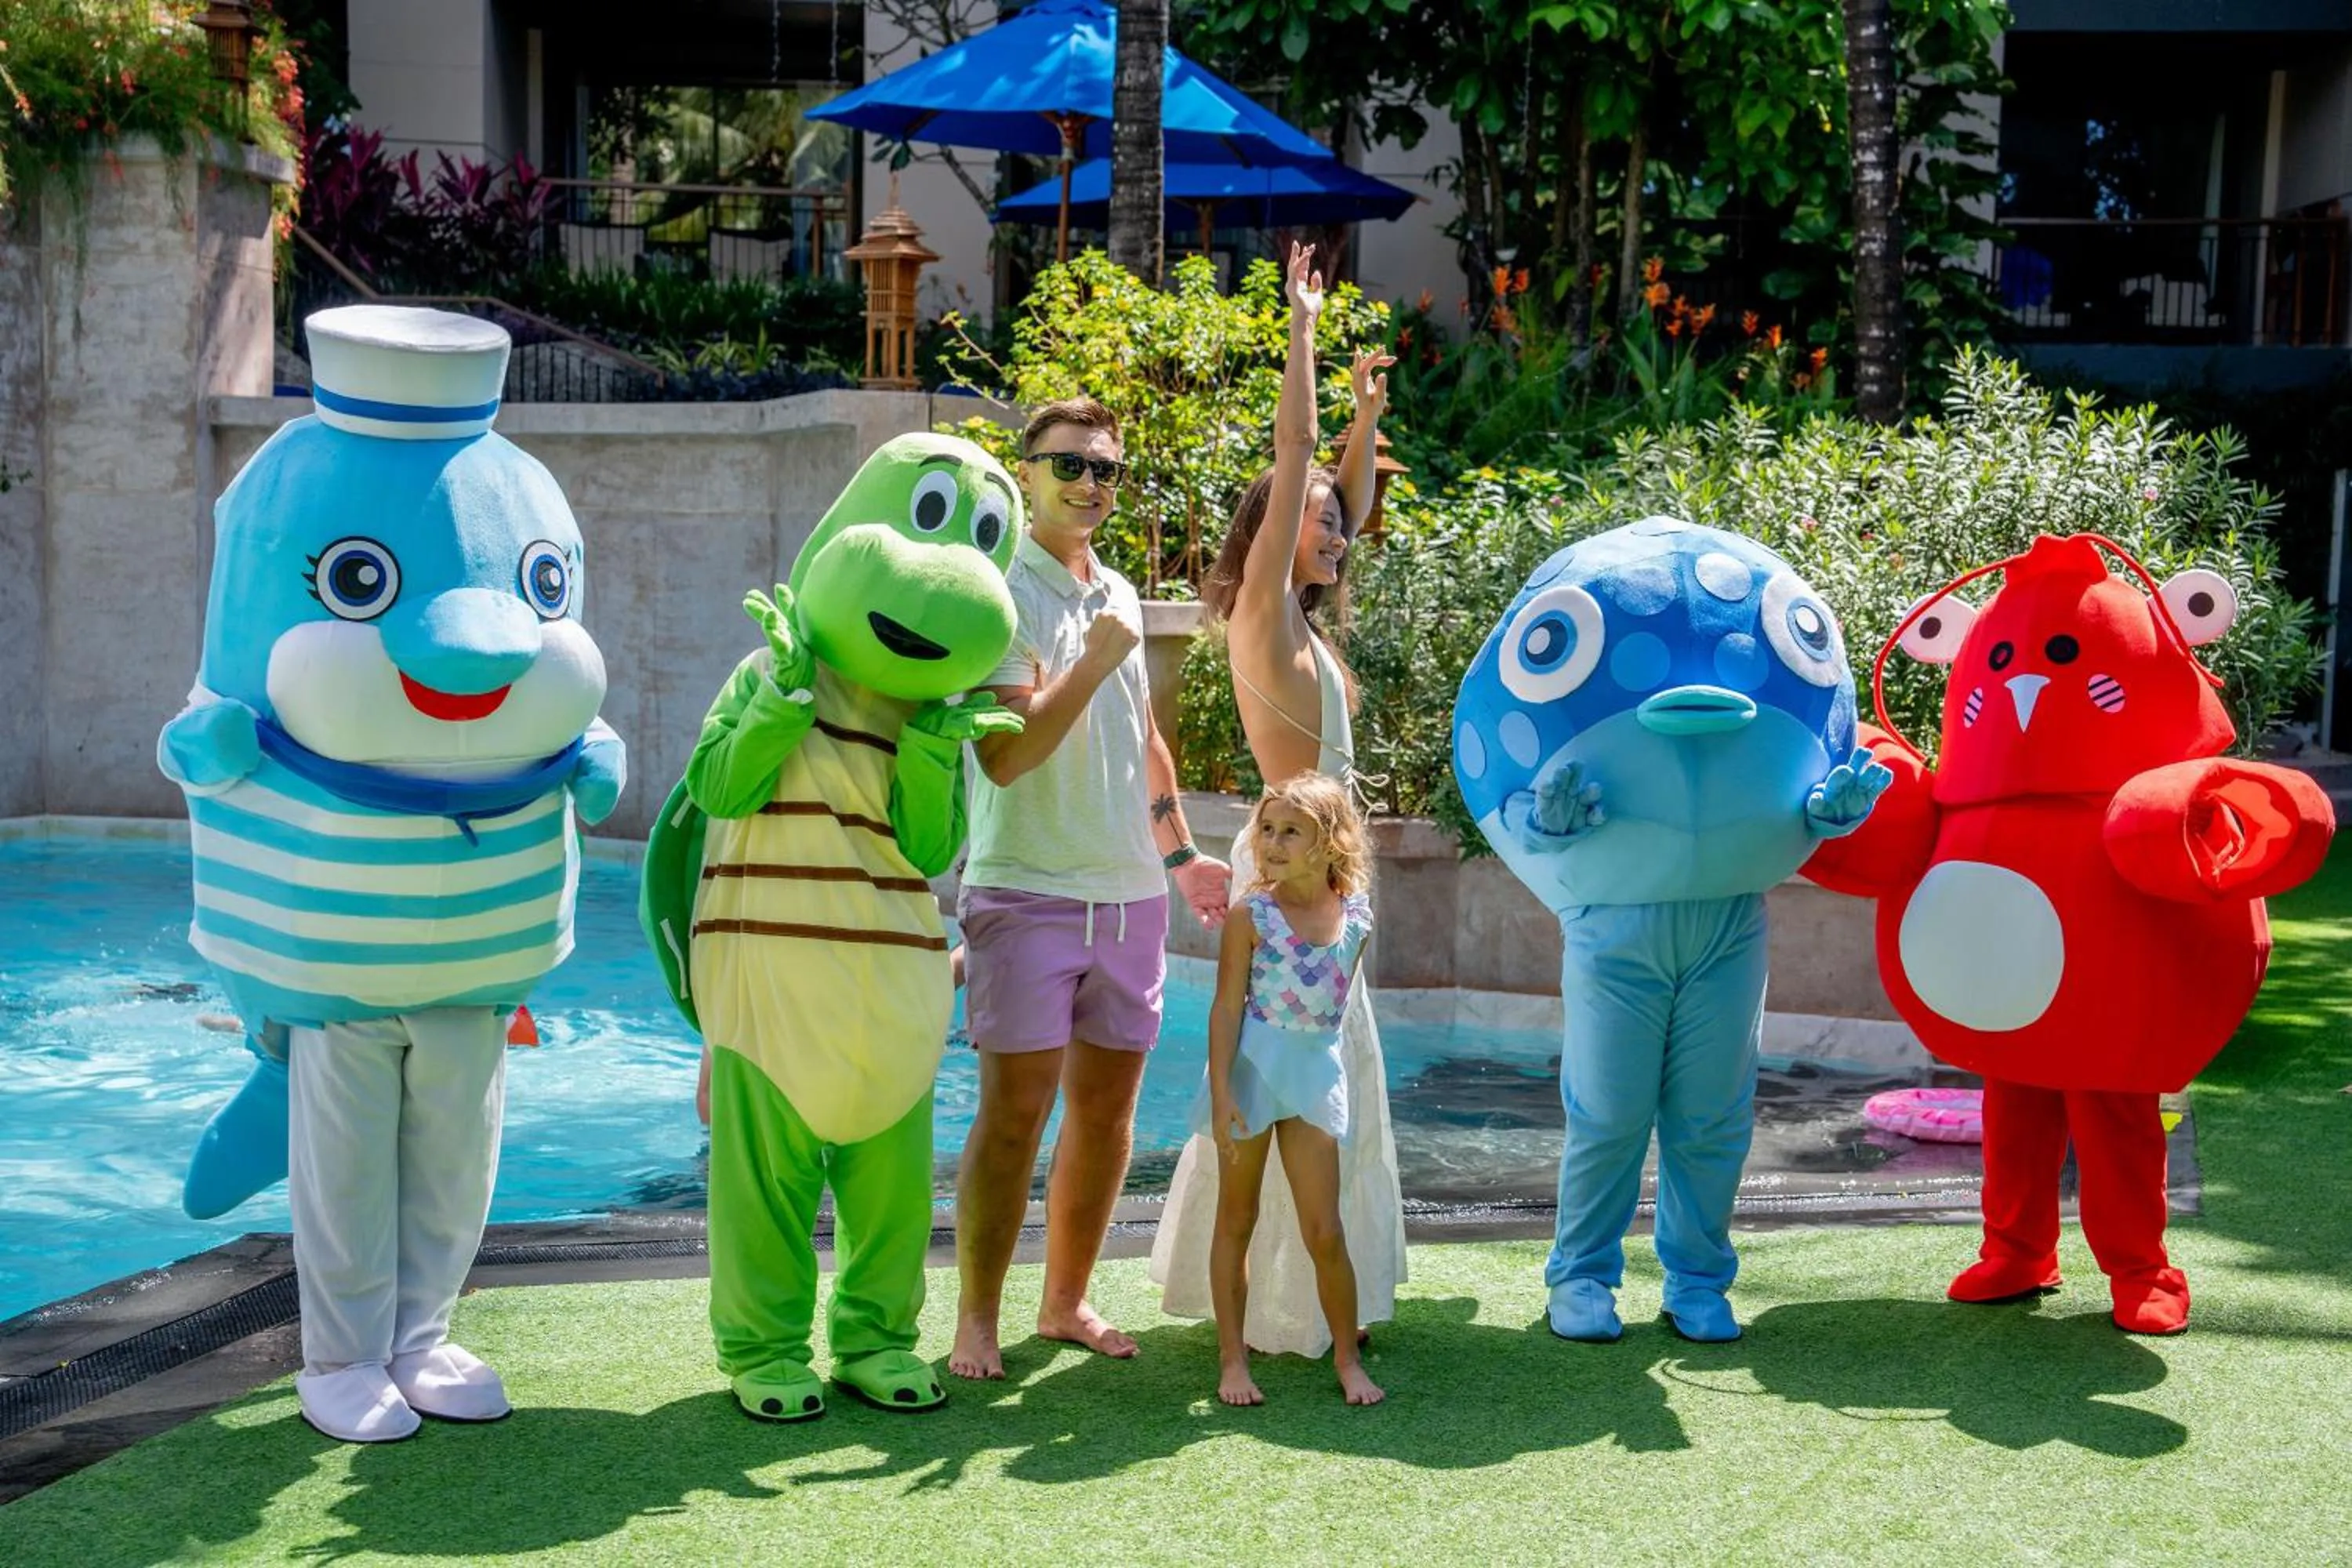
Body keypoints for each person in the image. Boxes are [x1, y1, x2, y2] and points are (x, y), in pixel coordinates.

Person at [1150, 242, 1408, 1359]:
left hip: (1326, 874)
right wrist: (1302, 332)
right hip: (1289, 866)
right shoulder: (1261, 614)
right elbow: (1294, 458)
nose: (1340, 530)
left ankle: (1328, 1303)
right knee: (1278, 1083)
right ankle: (1266, 1313)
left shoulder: (1303, 618)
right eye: (1319, 519)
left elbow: (1335, 489)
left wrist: (1364, 420)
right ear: (1268, 532)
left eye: (1342, 521)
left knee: (1334, 1085)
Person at [949, 396, 1231, 1381]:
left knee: (1108, 1122)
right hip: (1025, 891)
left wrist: (1182, 855)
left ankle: (1064, 1300)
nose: (1088, 482)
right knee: (1013, 1120)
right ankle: (976, 1318)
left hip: (1132, 898)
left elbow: (1143, 736)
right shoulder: (996, 594)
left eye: (1105, 468)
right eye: (1068, 463)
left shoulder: (1116, 588)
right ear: (1025, 471)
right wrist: (1099, 655)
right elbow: (1008, 755)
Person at [1201, 776, 1384, 1406]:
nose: (1272, 843)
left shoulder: (1356, 917)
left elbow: (1334, 1014)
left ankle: (1346, 1358)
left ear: (1329, 842)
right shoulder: (1250, 915)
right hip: (1250, 1076)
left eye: (1290, 832)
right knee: (1237, 1219)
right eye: (1267, 829)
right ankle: (1232, 1361)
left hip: (1312, 1081)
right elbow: (1227, 1008)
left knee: (1325, 1229)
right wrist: (1221, 1092)